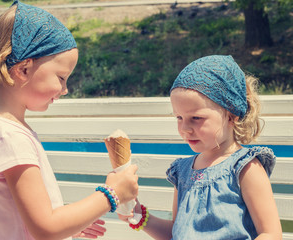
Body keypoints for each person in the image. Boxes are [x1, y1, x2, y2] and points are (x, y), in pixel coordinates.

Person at [0, 1, 139, 239]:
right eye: (61, 77)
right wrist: (112, 194)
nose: (65, 89)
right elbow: (45, 229)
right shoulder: (9, 137)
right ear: (23, 69)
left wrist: (69, 222)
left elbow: (24, 219)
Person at [119, 55, 282, 239]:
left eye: (196, 118)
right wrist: (141, 217)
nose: (184, 128)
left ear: (231, 115)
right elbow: (176, 232)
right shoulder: (182, 171)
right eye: (179, 118)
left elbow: (271, 233)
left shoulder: (245, 167)